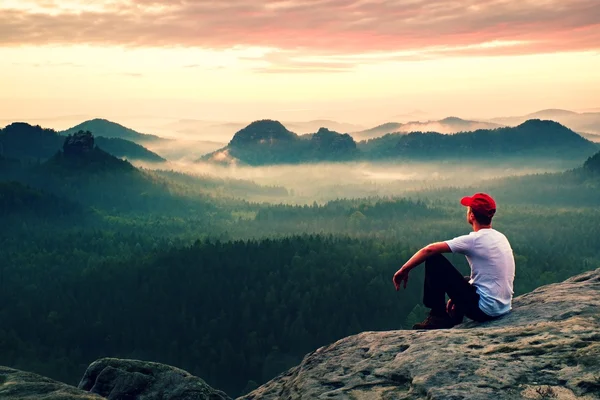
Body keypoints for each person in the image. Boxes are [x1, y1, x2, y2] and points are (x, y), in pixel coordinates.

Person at [392, 193, 515, 329]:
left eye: (468, 209)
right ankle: (455, 316)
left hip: (484, 311)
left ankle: (437, 316)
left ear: (472, 216)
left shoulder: (474, 240)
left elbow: (430, 250)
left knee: (434, 259)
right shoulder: (501, 237)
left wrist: (404, 269)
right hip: (503, 307)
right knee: (468, 279)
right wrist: (456, 297)